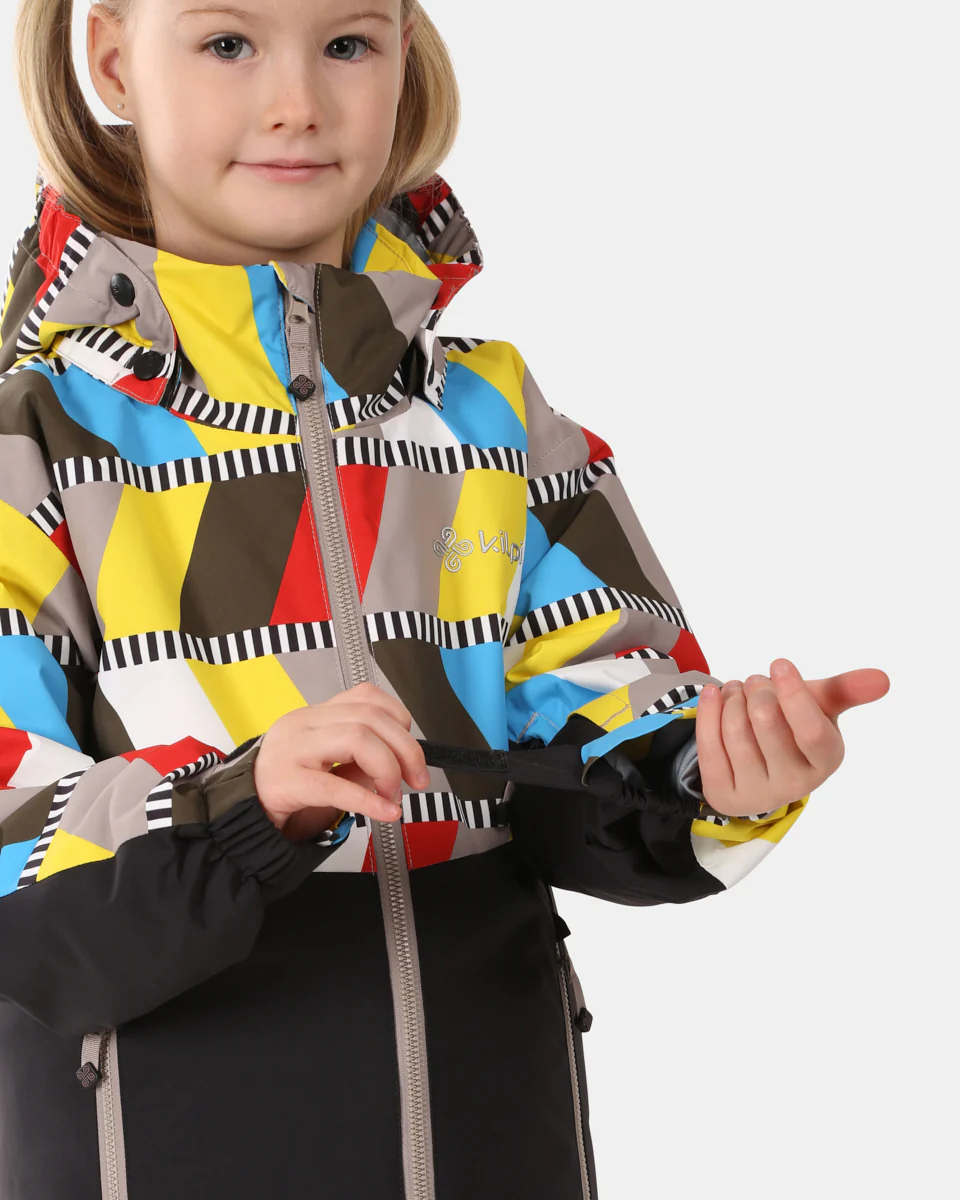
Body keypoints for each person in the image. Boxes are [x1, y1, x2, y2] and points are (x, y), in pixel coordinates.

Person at [0, 2, 890, 1198]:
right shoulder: (33, 447)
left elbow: (602, 715)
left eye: (348, 43)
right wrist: (242, 805)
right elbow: (13, 832)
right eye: (227, 43)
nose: (297, 104)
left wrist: (712, 770)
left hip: (495, 1145)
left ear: (403, 57)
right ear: (112, 61)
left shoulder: (494, 419)